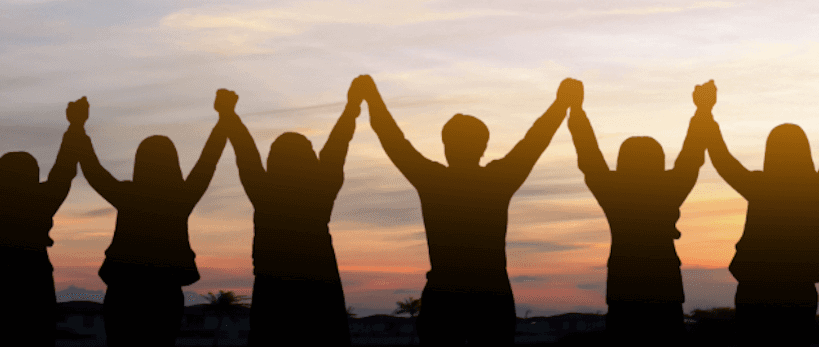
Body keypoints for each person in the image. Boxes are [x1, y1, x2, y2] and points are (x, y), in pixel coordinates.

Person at [367, 77, 576, 346]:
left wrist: (371, 97)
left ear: (445, 146)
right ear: (483, 147)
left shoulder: (433, 180)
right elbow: (536, 139)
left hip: (445, 296)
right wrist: (561, 104)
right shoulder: (498, 180)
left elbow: (391, 138)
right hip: (490, 296)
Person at [697, 78, 819, 345]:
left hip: (755, 287)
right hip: (798, 288)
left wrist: (705, 112)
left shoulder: (759, 186)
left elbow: (720, 157)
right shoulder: (814, 188)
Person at [73, 93, 231, 346]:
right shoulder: (181, 197)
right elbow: (208, 161)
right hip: (164, 292)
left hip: (125, 291)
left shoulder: (129, 195)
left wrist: (78, 127)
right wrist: (224, 120)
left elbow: (93, 170)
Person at [566, 80, 712, 345]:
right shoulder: (669, 188)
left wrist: (576, 110)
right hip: (664, 289)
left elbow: (588, 155)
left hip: (624, 289)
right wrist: (703, 111)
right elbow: (692, 156)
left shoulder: (613, 191)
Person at [219, 81, 362, 346]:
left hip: (273, 290)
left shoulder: (265, 193)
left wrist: (229, 114)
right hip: (320, 289)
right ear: (311, 161)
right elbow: (338, 144)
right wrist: (352, 107)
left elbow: (245, 150)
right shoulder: (321, 190)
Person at [0, 99, 82, 347]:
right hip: (37, 286)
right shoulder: (42, 200)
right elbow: (63, 171)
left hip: (1, 286)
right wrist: (75, 126)